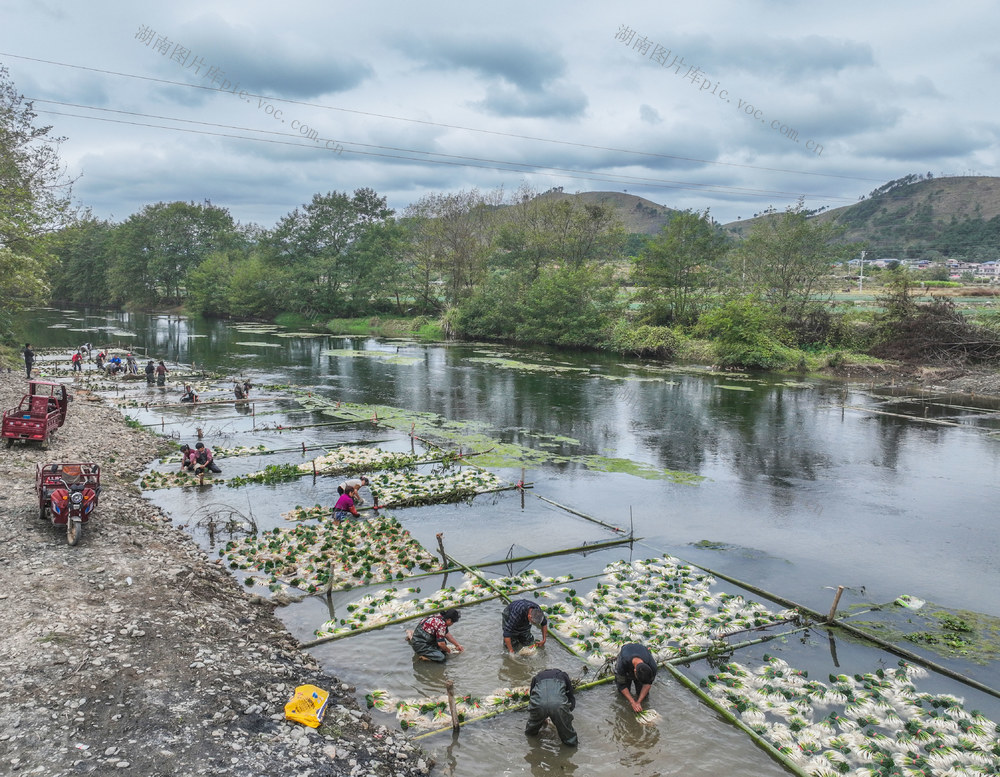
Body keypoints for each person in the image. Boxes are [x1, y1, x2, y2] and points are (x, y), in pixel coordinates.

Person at [525, 668, 577, 746]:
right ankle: (571, 748)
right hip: (558, 705)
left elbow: (532, 697)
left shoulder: (536, 677)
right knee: (569, 737)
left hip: (539, 704)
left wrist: (541, 716)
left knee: (530, 732)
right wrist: (565, 715)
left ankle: (531, 745)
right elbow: (571, 697)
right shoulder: (563, 675)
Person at [613, 643, 657, 712]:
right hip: (626, 652)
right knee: (622, 695)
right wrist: (632, 702)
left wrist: (639, 702)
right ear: (635, 671)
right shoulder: (622, 664)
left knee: (643, 695)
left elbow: (648, 683)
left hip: (641, 650)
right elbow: (621, 685)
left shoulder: (652, 666)